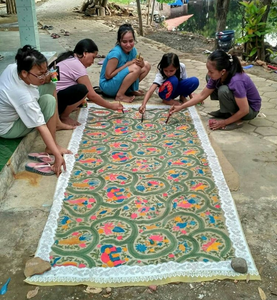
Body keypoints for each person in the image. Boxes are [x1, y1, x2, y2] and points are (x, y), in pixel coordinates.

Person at [0, 45, 71, 176]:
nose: (43, 77)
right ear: (24, 73)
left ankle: (57, 122)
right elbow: (41, 126)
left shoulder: (13, 68)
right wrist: (57, 154)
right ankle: (51, 146)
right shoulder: (22, 95)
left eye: (45, 72)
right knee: (49, 101)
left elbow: (39, 83)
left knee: (50, 85)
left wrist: (44, 77)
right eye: (40, 74)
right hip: (8, 128)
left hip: (11, 111)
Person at [169, 49, 262, 130]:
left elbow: (244, 110)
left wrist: (224, 122)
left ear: (223, 71)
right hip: (241, 105)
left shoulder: (236, 81)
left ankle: (237, 121)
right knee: (211, 79)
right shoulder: (219, 76)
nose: (209, 73)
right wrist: (181, 107)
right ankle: (228, 112)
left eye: (211, 71)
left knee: (223, 90)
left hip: (250, 110)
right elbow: (201, 96)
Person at [50, 39, 123, 126]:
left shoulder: (70, 59)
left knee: (82, 90)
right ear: (85, 53)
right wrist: (111, 106)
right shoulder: (77, 65)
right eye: (93, 57)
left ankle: (65, 110)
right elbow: (91, 95)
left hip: (53, 99)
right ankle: (64, 117)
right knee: (83, 90)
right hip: (54, 103)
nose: (93, 62)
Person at [99, 23, 151, 103]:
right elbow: (108, 76)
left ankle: (129, 90)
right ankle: (120, 95)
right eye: (124, 42)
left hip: (118, 82)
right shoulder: (115, 53)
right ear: (119, 41)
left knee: (146, 65)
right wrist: (127, 65)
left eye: (131, 41)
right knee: (135, 68)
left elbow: (138, 68)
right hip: (107, 86)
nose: (128, 45)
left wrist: (141, 64)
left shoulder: (133, 51)